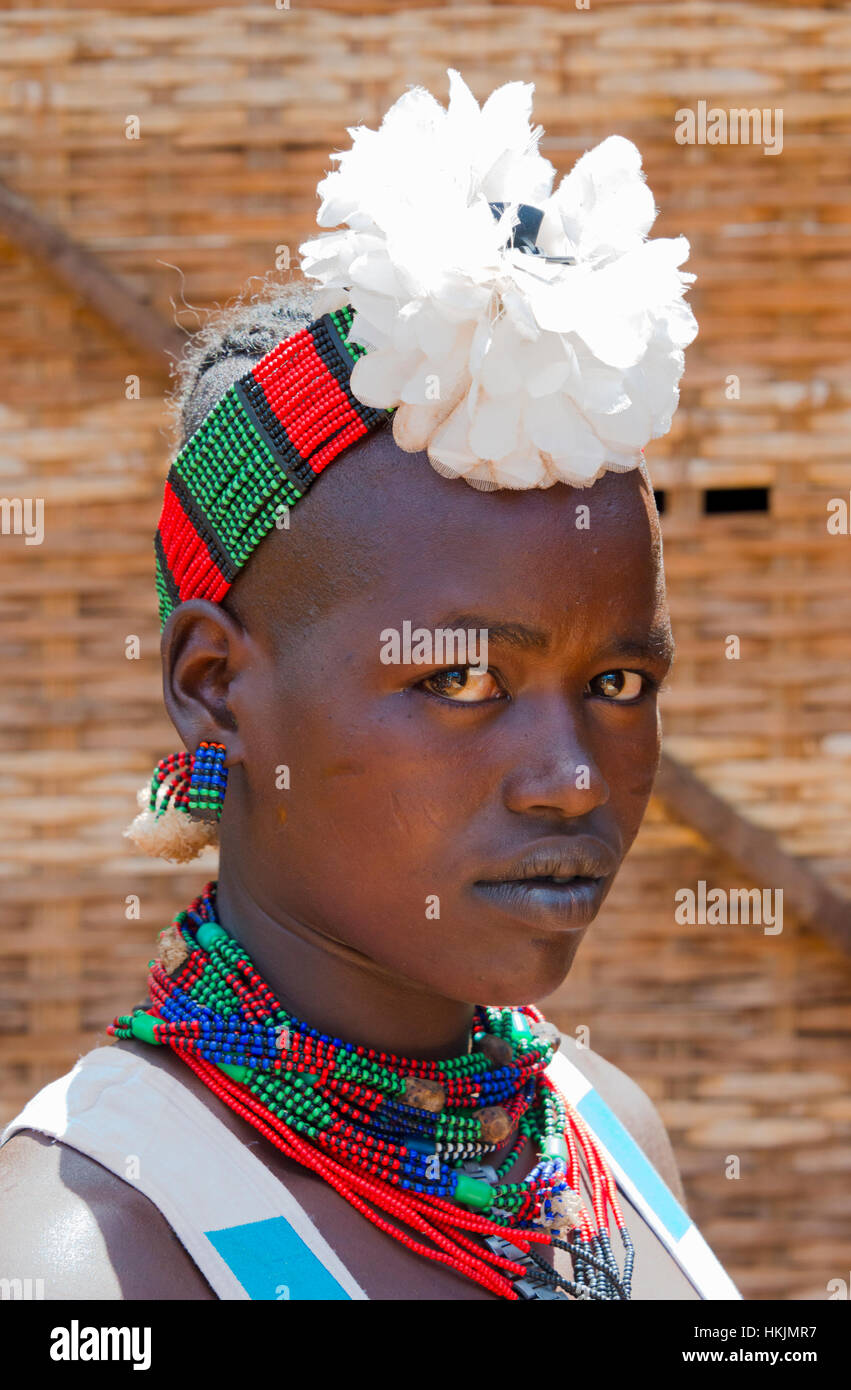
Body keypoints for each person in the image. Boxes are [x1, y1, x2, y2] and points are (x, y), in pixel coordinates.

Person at [0, 70, 738, 1301]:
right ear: (215, 686)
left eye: (616, 677)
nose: (571, 780)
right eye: (459, 677)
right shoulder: (96, 1257)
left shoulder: (608, 1140)